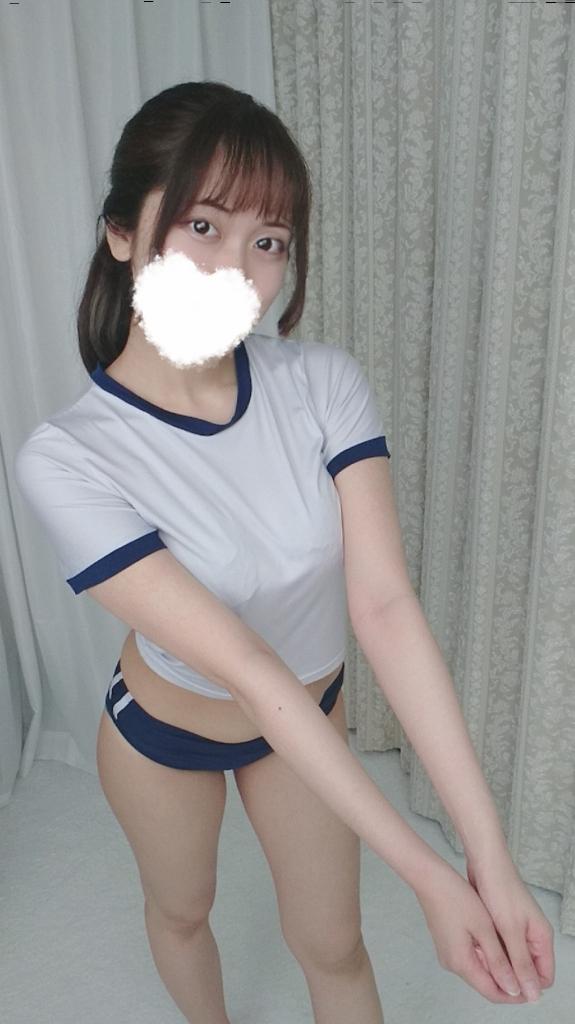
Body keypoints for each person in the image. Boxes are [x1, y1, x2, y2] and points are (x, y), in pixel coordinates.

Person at [14, 82, 551, 1024]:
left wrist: (486, 857)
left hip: (306, 711)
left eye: (268, 242)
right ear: (121, 234)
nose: (239, 272)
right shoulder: (67, 457)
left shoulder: (323, 383)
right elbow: (246, 664)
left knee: (334, 946)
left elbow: (382, 606)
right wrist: (430, 878)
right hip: (166, 732)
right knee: (183, 914)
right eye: (203, 226)